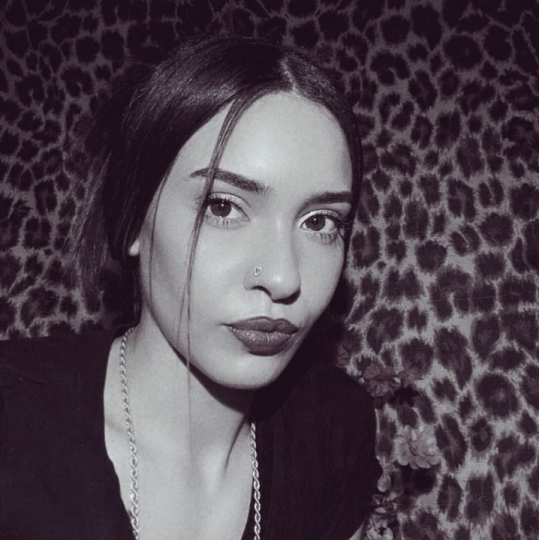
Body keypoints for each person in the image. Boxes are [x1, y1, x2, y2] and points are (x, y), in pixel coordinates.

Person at [0, 35, 381, 540]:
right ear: (133, 217)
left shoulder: (334, 432)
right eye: (223, 207)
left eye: (320, 222)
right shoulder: (13, 421)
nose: (284, 277)